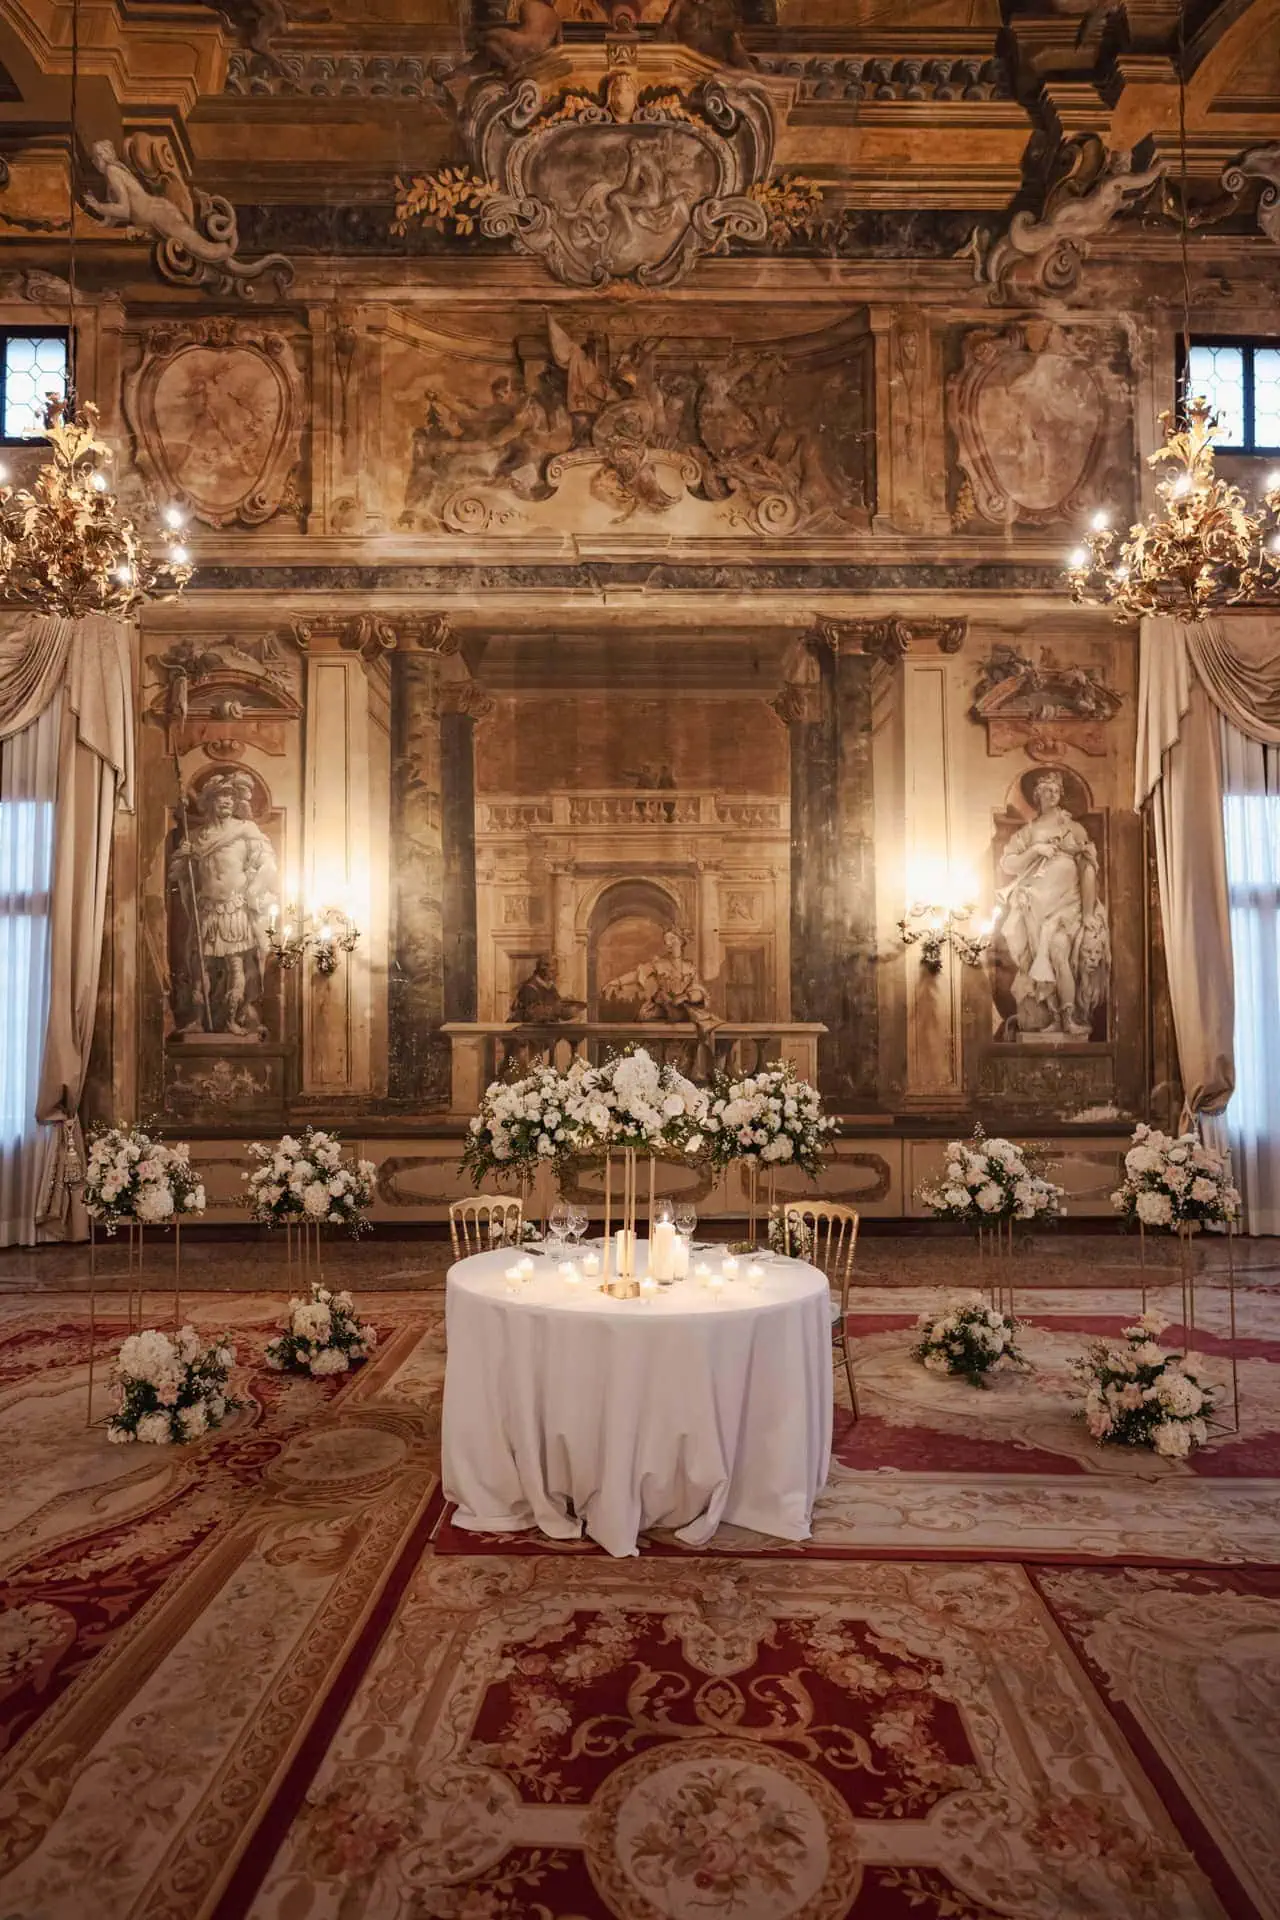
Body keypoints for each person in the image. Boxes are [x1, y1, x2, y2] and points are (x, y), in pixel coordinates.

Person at [995, 770, 1110, 1039]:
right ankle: (1051, 1016)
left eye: (1056, 791)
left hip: (1067, 907)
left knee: (1058, 951)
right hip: (1035, 910)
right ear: (1036, 797)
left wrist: (1090, 912)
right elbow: (1007, 863)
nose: (1052, 795)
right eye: (1047, 791)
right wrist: (1036, 850)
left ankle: (1068, 1017)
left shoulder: (1073, 828)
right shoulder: (1029, 831)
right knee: (1039, 963)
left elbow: (1088, 867)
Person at [169, 775, 279, 1035]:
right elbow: (178, 875)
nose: (227, 801)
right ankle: (198, 1020)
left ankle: (233, 1019)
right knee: (200, 967)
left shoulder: (246, 831)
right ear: (209, 802)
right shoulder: (196, 837)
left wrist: (253, 891)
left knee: (236, 966)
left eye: (231, 798)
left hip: (235, 908)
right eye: (221, 797)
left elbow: (267, 863)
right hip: (207, 909)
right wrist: (182, 857)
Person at [507, 954, 585, 1024]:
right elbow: (531, 1016)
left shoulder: (550, 986)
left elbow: (556, 1006)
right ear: (542, 970)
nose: (556, 974)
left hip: (545, 1033)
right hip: (528, 1035)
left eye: (556, 971)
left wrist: (566, 1003)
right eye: (552, 971)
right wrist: (557, 1010)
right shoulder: (529, 988)